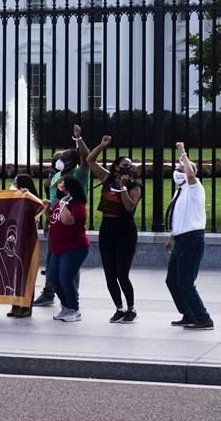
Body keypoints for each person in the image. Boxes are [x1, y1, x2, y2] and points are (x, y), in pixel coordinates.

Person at [33, 125, 93, 308]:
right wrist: (48, 221)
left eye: (65, 158)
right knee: (53, 261)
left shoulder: (79, 174)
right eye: (60, 159)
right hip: (56, 222)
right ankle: (50, 291)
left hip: (72, 221)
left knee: (70, 263)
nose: (61, 161)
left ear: (73, 161)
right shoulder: (57, 175)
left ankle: (71, 297)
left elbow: (87, 158)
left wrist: (78, 139)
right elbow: (52, 200)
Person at [88, 135, 142, 324]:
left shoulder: (134, 186)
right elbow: (90, 160)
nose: (129, 166)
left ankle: (131, 308)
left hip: (125, 231)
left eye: (131, 164)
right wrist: (102, 145)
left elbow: (129, 208)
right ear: (117, 167)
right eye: (125, 164)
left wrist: (123, 187)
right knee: (110, 273)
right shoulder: (107, 178)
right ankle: (118, 308)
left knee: (122, 273)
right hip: (107, 229)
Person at [164, 142, 213, 330]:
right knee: (172, 280)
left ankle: (203, 318)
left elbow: (191, 174)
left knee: (185, 281)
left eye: (181, 168)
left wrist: (182, 152)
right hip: (180, 239)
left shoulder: (195, 188)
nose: (177, 170)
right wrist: (172, 237)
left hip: (192, 240)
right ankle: (189, 313)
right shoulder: (181, 191)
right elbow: (180, 215)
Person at [47, 175, 90, 323]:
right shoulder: (62, 202)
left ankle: (74, 309)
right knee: (53, 277)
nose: (60, 186)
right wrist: (48, 210)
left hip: (74, 248)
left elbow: (66, 221)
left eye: (62, 184)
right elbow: (54, 219)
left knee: (65, 277)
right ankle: (65, 306)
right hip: (59, 248)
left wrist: (64, 204)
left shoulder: (77, 206)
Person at [5, 173, 48, 318]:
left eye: (15, 182)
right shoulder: (14, 196)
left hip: (27, 239)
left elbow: (40, 208)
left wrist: (26, 196)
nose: (13, 183)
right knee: (14, 275)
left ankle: (26, 306)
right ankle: (15, 304)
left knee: (26, 274)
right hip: (14, 240)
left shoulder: (30, 199)